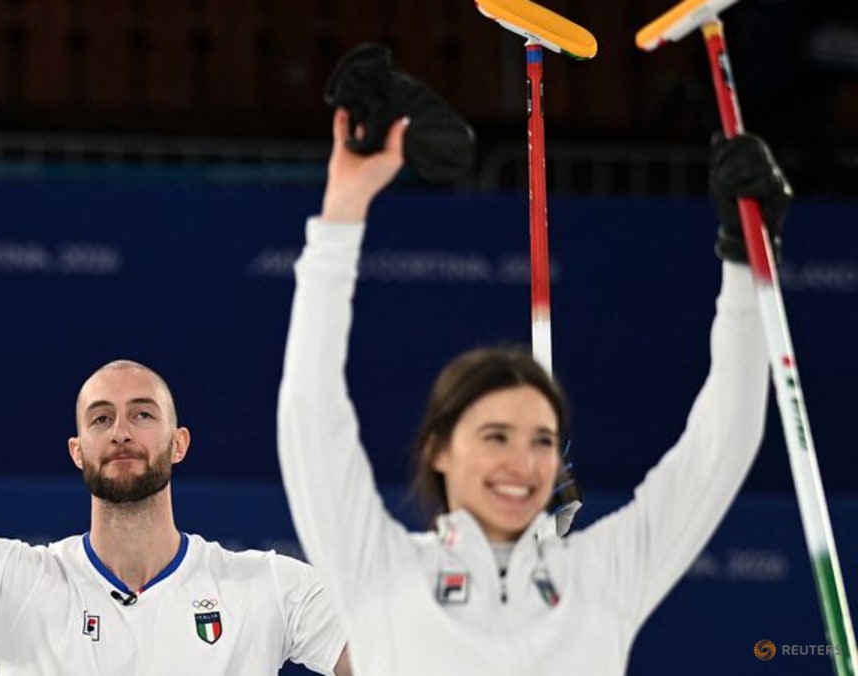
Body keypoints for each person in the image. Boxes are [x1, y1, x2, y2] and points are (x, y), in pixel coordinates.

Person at [277, 109, 785, 675]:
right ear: (439, 449)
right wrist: (343, 210)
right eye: (496, 436)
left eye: (542, 440)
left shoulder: (603, 578)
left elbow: (721, 446)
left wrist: (746, 263)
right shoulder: (379, 571)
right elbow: (310, 415)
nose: (522, 463)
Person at [0, 260, 351, 676]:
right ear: (77, 451)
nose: (121, 430)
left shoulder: (268, 588)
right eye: (101, 418)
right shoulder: (18, 589)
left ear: (178, 443)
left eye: (142, 414)